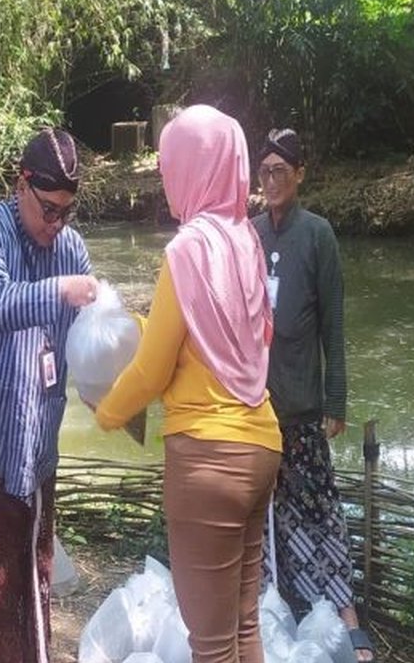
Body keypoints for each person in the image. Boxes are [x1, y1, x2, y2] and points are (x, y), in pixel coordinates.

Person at [96, 105, 281, 663]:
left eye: (170, 163)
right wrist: (147, 324)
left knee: (212, 646)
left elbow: (152, 372)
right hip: (261, 446)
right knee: (244, 628)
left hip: (209, 461)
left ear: (191, 167)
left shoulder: (187, 250)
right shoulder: (245, 239)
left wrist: (106, 411)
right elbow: (226, 338)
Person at [0, 128, 97, 663]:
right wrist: (60, 289)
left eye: (67, 213)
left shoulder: (71, 247)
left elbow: (87, 340)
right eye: (48, 210)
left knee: (30, 583)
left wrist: (107, 384)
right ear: (20, 184)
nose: (56, 225)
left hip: (37, 449)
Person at [250, 128, 371, 661]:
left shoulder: (317, 235)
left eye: (281, 171)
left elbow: (333, 324)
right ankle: (270, 611)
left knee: (320, 512)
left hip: (301, 407)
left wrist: (335, 401)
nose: (272, 181)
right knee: (260, 515)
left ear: (299, 174)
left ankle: (346, 614)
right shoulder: (250, 234)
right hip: (256, 409)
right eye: (265, 171)